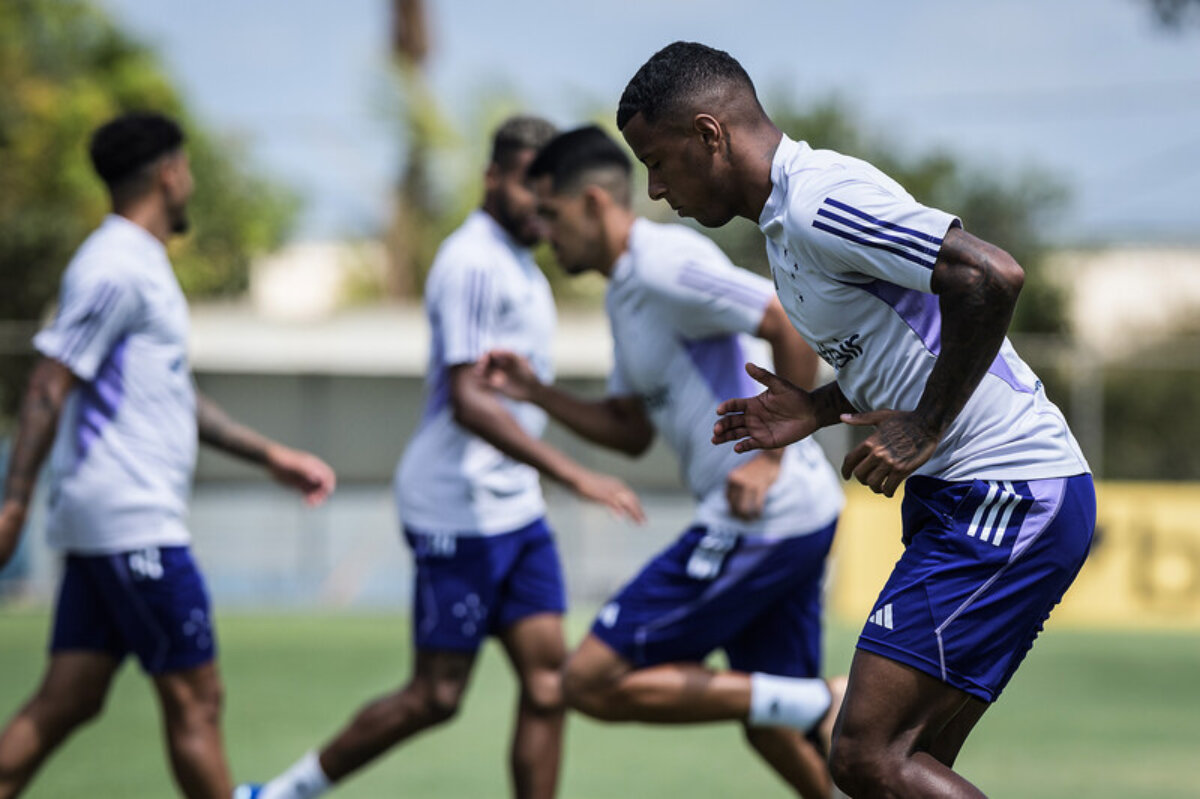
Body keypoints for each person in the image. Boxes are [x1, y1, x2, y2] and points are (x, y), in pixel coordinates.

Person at [617, 42, 1095, 798]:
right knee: (907, 762)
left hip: (1007, 488)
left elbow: (992, 275)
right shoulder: (782, 224)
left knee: (867, 757)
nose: (653, 189)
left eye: (658, 161)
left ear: (710, 134)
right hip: (963, 496)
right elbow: (911, 339)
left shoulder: (815, 200)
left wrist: (928, 425)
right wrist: (816, 407)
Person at [241, 116, 644, 799]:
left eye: (546, 190)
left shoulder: (522, 263)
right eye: (524, 185)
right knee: (436, 695)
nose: (537, 205)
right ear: (491, 178)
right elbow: (465, 399)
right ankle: (280, 793)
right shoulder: (472, 261)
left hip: (514, 510)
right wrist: (573, 472)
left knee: (550, 684)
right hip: (455, 508)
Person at [483, 125, 847, 798]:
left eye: (552, 214)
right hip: (780, 514)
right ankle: (815, 704)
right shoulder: (625, 294)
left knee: (588, 680)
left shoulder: (662, 262)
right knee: (773, 720)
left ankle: (822, 698)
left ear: (594, 203)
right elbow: (627, 429)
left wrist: (769, 459)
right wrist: (535, 391)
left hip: (767, 510)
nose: (543, 230)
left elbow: (783, 319)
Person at [0, 111, 337, 799]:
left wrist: (270, 454)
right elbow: (48, 380)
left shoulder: (138, 263)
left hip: (113, 524)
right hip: (134, 521)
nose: (190, 183)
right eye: (187, 169)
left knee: (70, 697)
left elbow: (173, 398)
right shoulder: (115, 266)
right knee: (197, 699)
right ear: (168, 172)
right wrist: (13, 502)